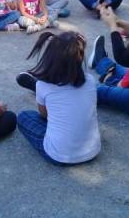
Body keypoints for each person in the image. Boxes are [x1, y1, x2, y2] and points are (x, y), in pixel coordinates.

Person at [16, 31, 101, 165]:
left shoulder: (43, 85)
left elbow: (44, 115)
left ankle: (32, 83)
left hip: (57, 155)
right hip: (92, 151)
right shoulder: (90, 80)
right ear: (80, 57)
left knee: (23, 117)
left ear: (49, 58)